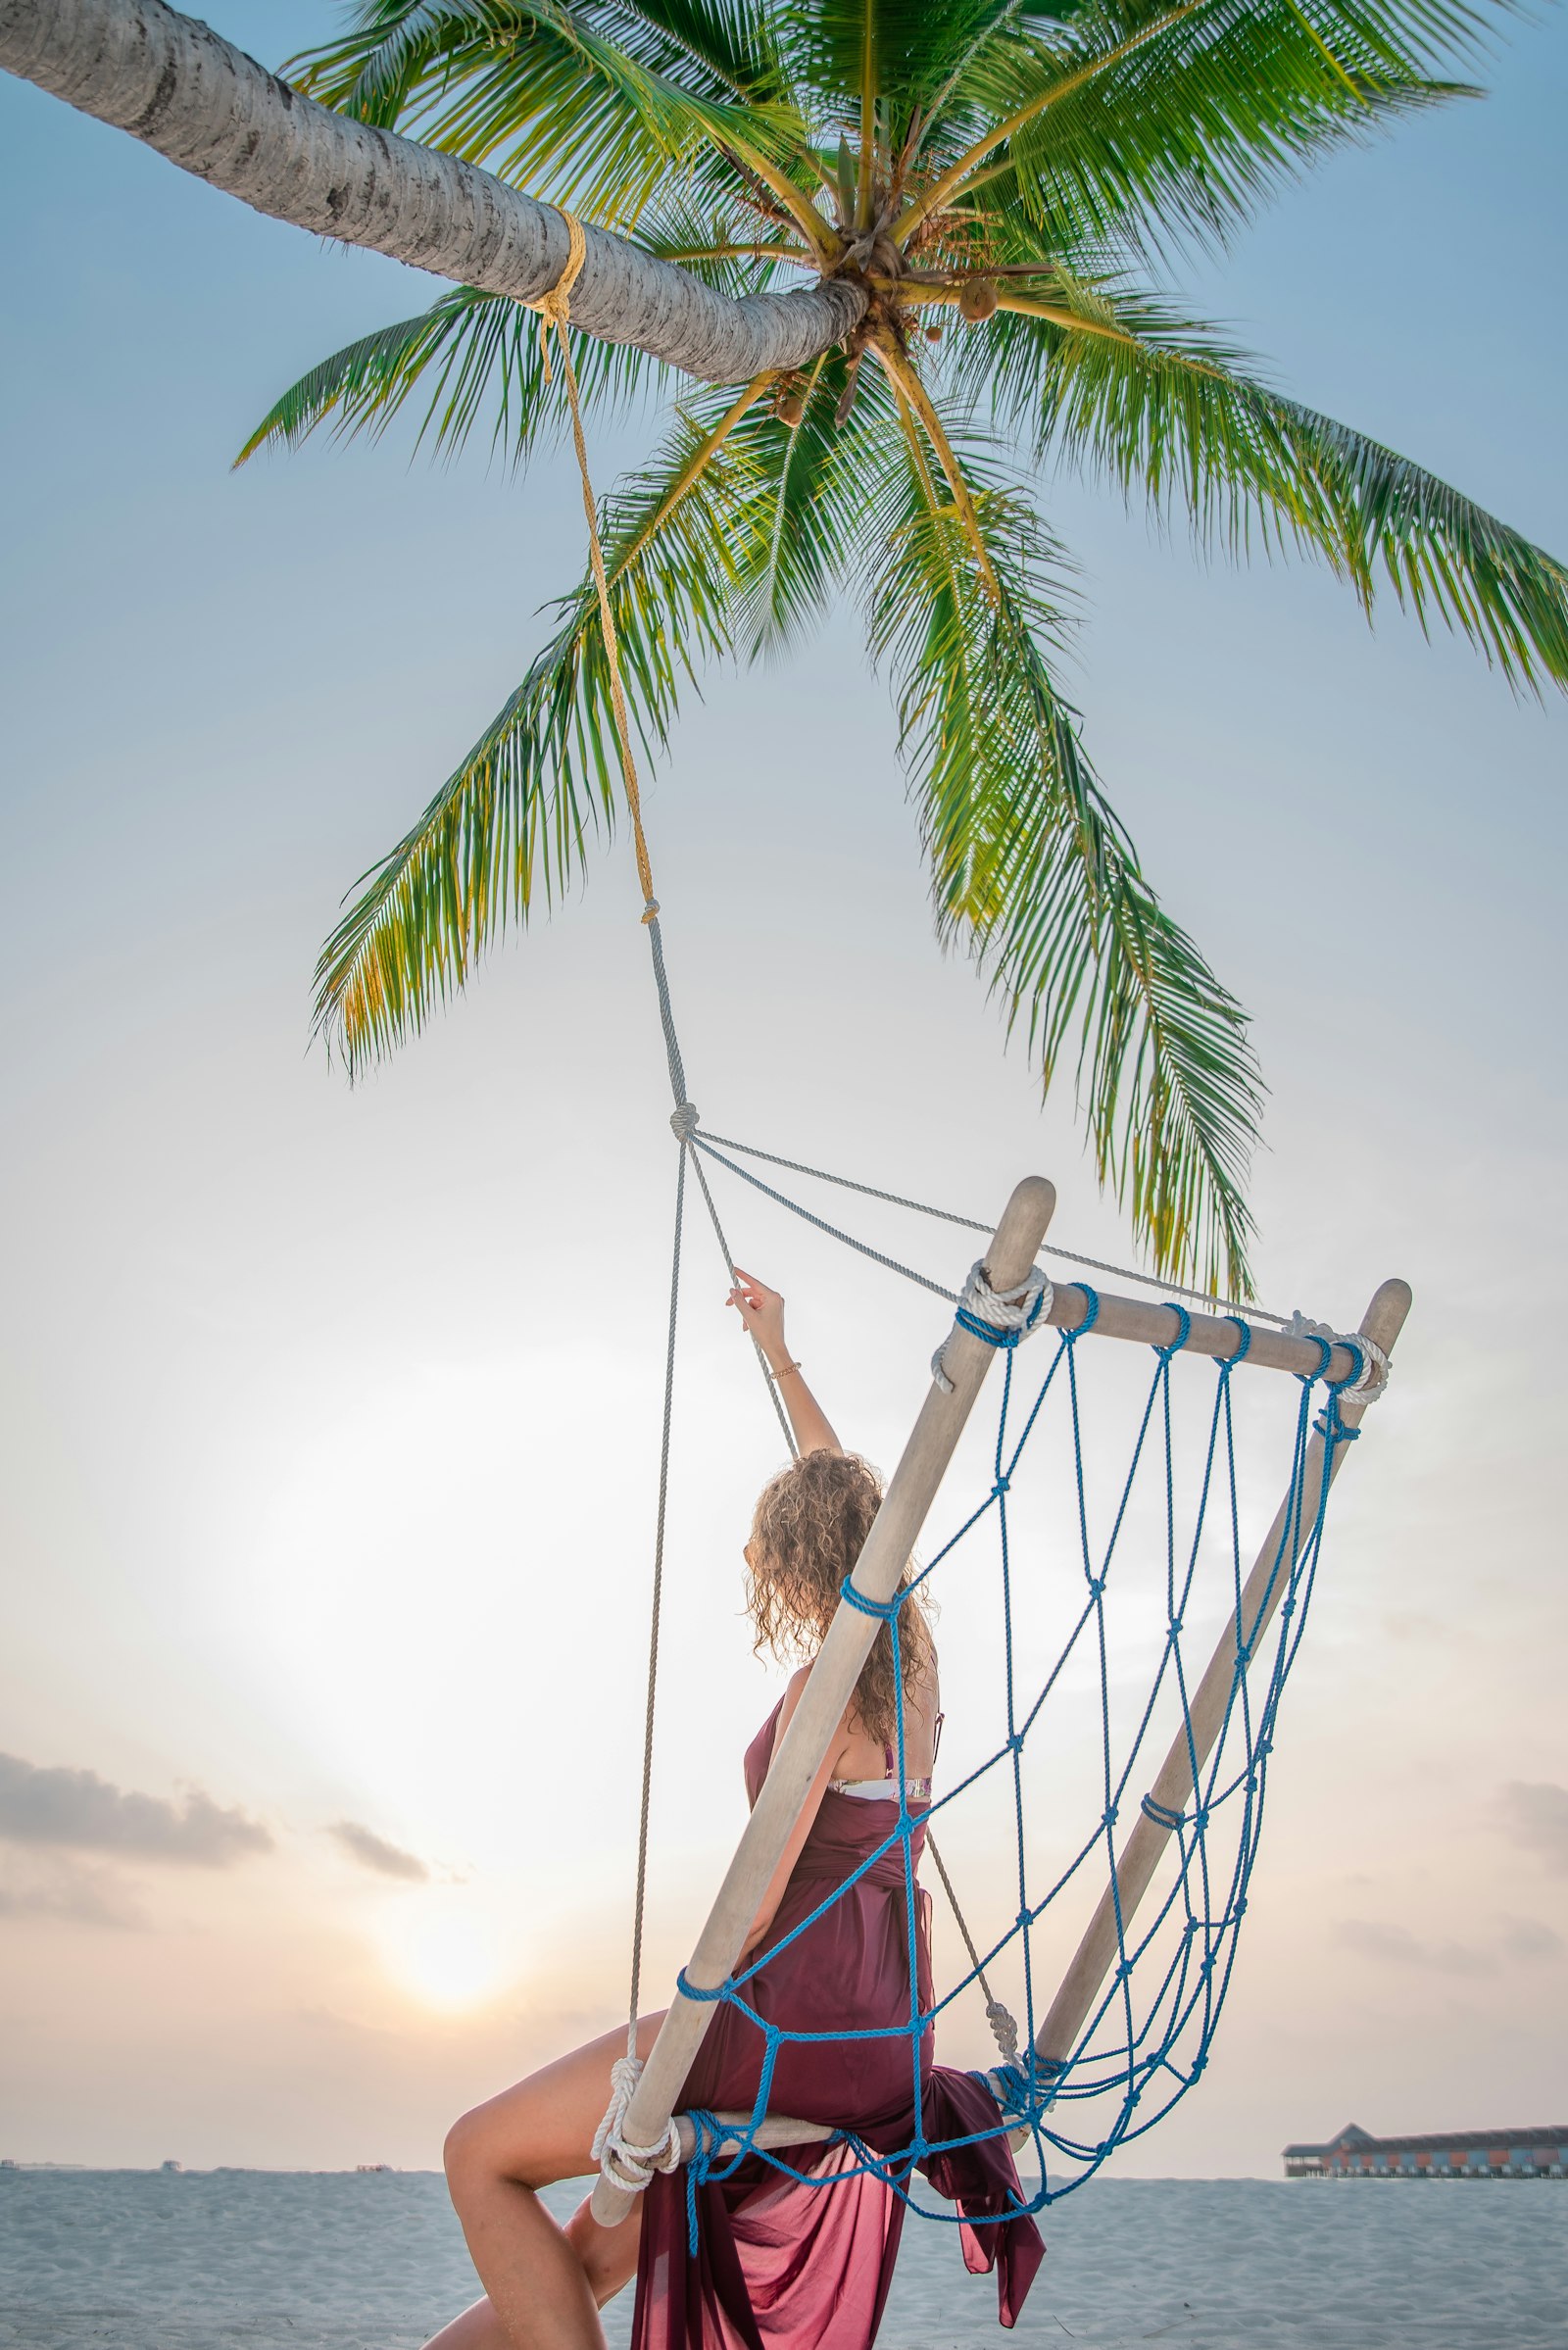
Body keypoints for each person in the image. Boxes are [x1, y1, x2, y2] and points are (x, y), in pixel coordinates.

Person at [425, 1272, 1043, 2350]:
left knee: (476, 2151)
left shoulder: (821, 1695)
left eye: (769, 1549)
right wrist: (780, 1354)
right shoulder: (915, 1665)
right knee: (583, 2253)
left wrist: (680, 2009)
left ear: (798, 1566)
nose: (757, 1565)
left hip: (780, 2029)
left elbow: (754, 1909)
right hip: (885, 2033)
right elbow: (866, 1506)